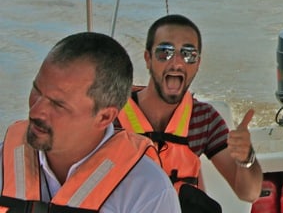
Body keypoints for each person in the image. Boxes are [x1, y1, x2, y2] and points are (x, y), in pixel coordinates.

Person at [0, 32, 181, 212]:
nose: (35, 111)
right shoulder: (3, 161)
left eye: (57, 104)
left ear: (104, 117)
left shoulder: (148, 193)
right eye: (37, 91)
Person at [115, 14, 262, 210]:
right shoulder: (111, 115)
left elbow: (249, 193)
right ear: (147, 59)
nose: (176, 63)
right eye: (164, 52)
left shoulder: (204, 119)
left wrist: (247, 157)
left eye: (188, 54)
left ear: (198, 63)